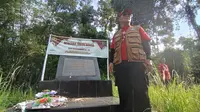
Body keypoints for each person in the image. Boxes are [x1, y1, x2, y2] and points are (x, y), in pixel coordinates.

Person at [109, 8, 152, 112]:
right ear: (119, 19)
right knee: (124, 91)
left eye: (128, 14)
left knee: (140, 89)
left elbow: (146, 44)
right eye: (124, 14)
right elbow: (113, 50)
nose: (127, 15)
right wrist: (111, 62)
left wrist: (149, 59)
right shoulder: (116, 34)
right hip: (120, 65)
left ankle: (144, 110)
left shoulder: (138, 29)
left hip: (137, 64)